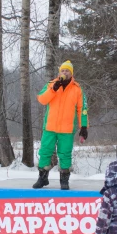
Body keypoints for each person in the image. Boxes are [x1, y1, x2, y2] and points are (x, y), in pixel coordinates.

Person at [33, 60, 88, 190]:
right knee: (45, 151)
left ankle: (64, 180)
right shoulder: (51, 84)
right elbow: (42, 99)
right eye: (63, 70)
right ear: (59, 72)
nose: (64, 72)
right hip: (50, 127)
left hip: (67, 129)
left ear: (71, 73)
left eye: (67, 71)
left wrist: (83, 127)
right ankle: (42, 178)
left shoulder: (77, 89)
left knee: (65, 154)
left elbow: (82, 109)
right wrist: (53, 89)